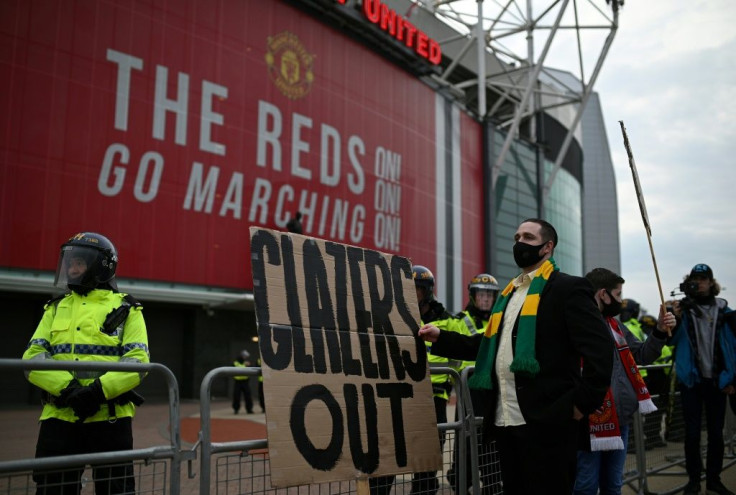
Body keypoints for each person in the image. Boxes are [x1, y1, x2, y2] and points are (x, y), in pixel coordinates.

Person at [418, 218, 615, 495]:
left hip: (549, 424)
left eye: (528, 237)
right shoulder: (510, 293)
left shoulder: (568, 288)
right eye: (516, 236)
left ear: (547, 247)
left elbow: (601, 352)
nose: (519, 243)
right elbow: (490, 344)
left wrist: (580, 405)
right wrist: (442, 337)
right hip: (505, 421)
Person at [22, 232, 149, 495]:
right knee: (52, 488)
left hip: (110, 417)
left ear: (101, 266)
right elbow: (32, 357)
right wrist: (67, 390)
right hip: (59, 415)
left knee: (116, 490)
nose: (72, 268)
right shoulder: (55, 308)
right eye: (69, 263)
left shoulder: (128, 309)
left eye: (79, 262)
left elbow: (138, 362)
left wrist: (96, 392)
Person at [573, 268, 675, 495]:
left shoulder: (617, 327)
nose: (621, 301)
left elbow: (642, 355)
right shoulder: (576, 324)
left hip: (621, 419)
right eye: (618, 295)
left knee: (613, 484)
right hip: (587, 420)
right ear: (603, 295)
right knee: (585, 485)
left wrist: (659, 330)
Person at [370, 265, 452, 495]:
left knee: (426, 461)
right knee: (388, 455)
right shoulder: (389, 316)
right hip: (397, 395)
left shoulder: (446, 320)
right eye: (407, 289)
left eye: (416, 290)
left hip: (434, 398)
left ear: (427, 292)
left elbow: (460, 354)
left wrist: (450, 382)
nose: (411, 294)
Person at [670, 264, 736, 495]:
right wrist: (675, 316)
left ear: (711, 282)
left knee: (716, 434)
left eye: (703, 278)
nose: (699, 283)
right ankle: (694, 481)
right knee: (692, 433)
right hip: (691, 381)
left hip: (718, 381)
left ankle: (714, 480)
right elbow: (671, 341)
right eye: (694, 279)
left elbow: (733, 347)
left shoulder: (725, 312)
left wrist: (733, 378)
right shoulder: (684, 311)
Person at [445, 273, 500, 495]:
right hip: (469, 391)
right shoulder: (460, 321)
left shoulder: (500, 320)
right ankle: (460, 481)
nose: (485, 300)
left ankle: (493, 485)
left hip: (493, 391)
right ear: (472, 296)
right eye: (481, 295)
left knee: (493, 441)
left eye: (489, 295)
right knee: (466, 442)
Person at [232, 350, 254, 414]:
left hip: (245, 382)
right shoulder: (235, 363)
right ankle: (236, 409)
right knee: (236, 396)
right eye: (245, 356)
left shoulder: (246, 362)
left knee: (248, 396)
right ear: (242, 356)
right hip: (237, 382)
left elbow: (251, 370)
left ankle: (249, 409)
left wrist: (249, 365)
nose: (246, 357)